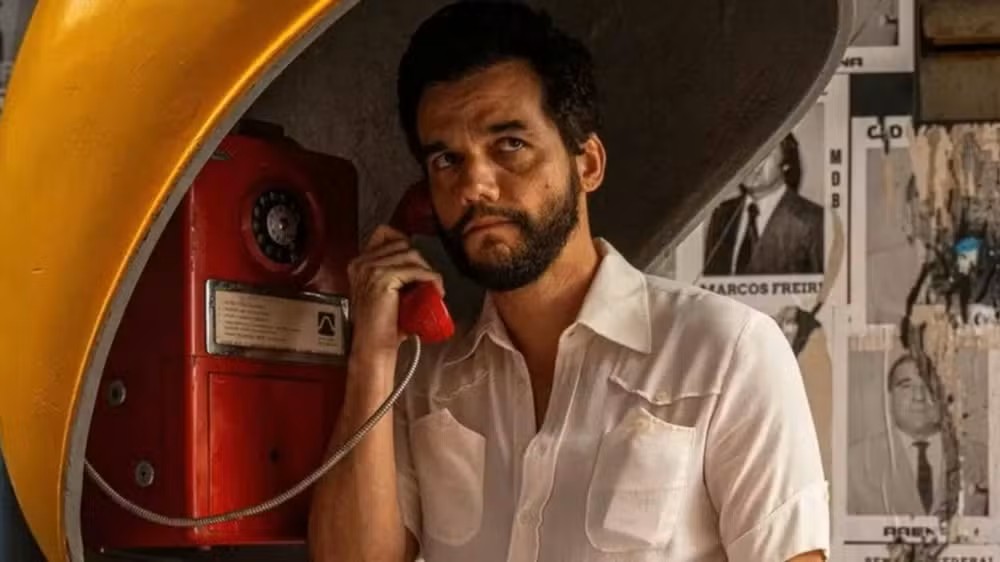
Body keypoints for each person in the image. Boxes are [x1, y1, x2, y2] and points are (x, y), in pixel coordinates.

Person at [308, 2, 829, 561]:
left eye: (509, 145)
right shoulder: (424, 381)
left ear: (588, 164)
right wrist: (372, 354)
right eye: (447, 161)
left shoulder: (726, 353)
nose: (475, 185)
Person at [848, 354, 988, 516]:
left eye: (929, 386)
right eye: (906, 386)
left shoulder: (984, 459)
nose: (919, 397)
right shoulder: (854, 462)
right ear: (889, 397)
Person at [702, 133, 825, 276]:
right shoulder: (721, 214)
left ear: (786, 163)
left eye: (765, 153)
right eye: (746, 153)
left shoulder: (814, 219)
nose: (753, 163)